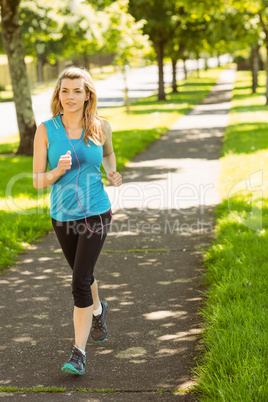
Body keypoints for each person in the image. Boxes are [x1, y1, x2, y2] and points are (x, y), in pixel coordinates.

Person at [33, 66, 122, 375]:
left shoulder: (101, 127)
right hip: (62, 216)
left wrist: (112, 172)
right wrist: (56, 172)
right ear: (58, 94)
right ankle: (98, 310)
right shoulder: (46, 129)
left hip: (97, 212)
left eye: (77, 91)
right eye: (65, 91)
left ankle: (78, 354)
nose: (70, 96)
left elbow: (108, 154)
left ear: (88, 96)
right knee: (82, 274)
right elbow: (36, 180)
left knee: (79, 282)